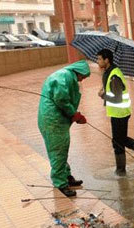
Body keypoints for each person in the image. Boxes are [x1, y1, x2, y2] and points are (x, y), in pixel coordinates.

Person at [96, 49, 134, 176]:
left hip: (120, 113)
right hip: (117, 112)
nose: (98, 61)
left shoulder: (114, 76)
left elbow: (117, 98)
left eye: (100, 59)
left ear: (107, 60)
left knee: (118, 142)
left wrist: (103, 95)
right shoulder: (108, 72)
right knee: (120, 140)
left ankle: (121, 170)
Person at [38, 60, 90, 197]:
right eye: (83, 77)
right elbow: (61, 99)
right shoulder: (64, 76)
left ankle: (66, 176)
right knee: (58, 152)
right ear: (78, 72)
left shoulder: (65, 75)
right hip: (53, 121)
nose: (82, 80)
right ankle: (60, 183)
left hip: (55, 120)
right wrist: (74, 114)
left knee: (61, 149)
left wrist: (74, 115)